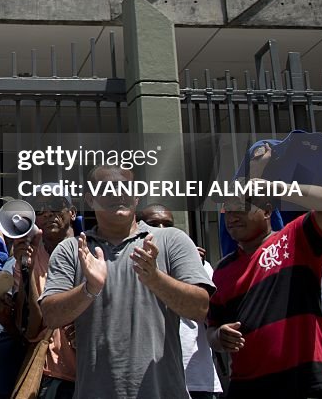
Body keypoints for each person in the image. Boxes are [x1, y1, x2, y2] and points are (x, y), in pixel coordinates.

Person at [39, 165, 213, 399]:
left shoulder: (172, 240)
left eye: (125, 187)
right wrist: (89, 289)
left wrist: (155, 279)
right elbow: (51, 316)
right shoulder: (72, 249)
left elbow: (200, 309)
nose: (118, 194)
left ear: (137, 195)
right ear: (90, 199)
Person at [208, 141, 322, 399]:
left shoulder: (295, 239)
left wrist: (276, 186)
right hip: (247, 388)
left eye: (242, 205)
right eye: (227, 208)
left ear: (267, 211)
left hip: (307, 384)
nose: (232, 214)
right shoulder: (222, 271)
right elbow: (212, 329)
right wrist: (219, 336)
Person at [138, 203, 222, 399]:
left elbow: (211, 315)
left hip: (197, 379)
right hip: (153, 380)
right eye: (153, 224)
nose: (160, 230)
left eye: (167, 224)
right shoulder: (133, 266)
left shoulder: (202, 267)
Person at [15, 193, 77, 399]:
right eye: (41, 209)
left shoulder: (91, 250)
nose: (48, 213)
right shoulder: (29, 253)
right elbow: (29, 328)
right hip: (50, 374)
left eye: (56, 206)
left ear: (73, 213)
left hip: (89, 371)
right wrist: (27, 270)